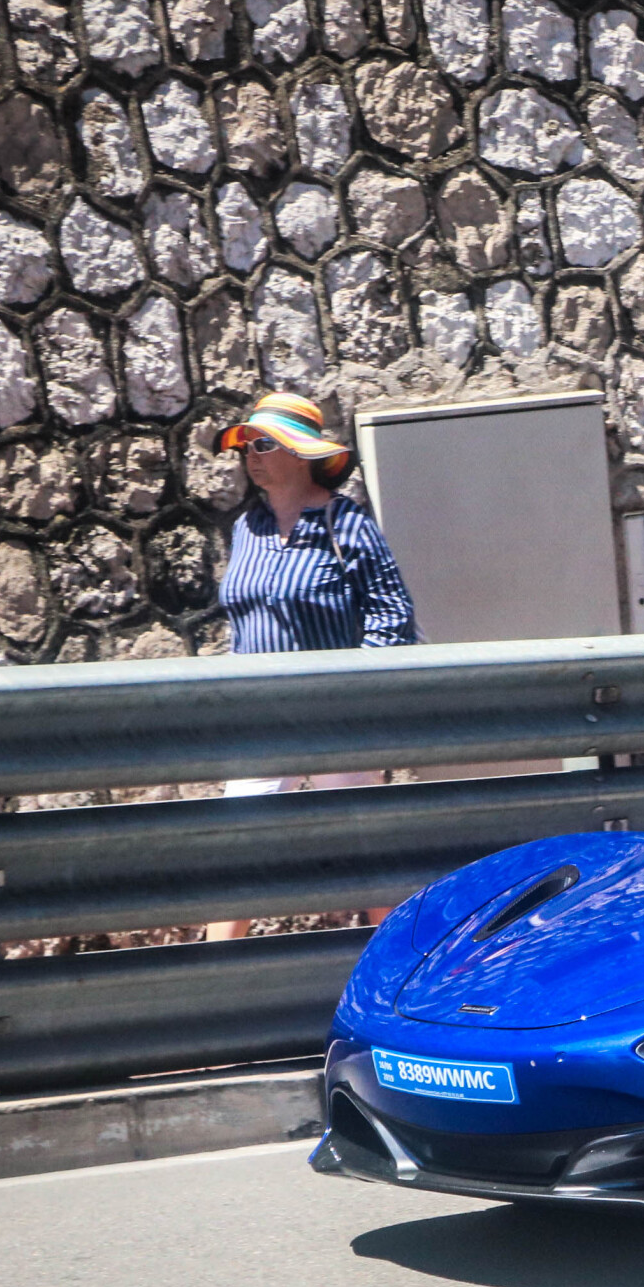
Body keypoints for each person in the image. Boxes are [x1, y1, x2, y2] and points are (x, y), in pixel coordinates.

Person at [206, 393, 420, 941]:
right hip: (258, 720)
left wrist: (355, 692)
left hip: (335, 719)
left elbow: (392, 616)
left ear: (300, 454)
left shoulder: (346, 525)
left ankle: (400, 983)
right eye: (247, 446)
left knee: (367, 862)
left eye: (263, 444)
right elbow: (242, 621)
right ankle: (208, 992)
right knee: (239, 856)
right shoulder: (245, 529)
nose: (251, 456)